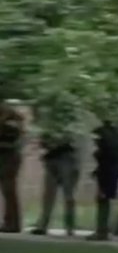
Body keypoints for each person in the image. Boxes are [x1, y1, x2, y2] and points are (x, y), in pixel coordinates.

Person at [29, 101, 80, 237]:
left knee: (68, 195)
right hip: (51, 158)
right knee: (48, 194)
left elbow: (68, 139)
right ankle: (43, 225)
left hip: (66, 158)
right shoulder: (47, 124)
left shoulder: (68, 122)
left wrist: (52, 142)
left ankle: (70, 227)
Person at [0, 100, 24, 233]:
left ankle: (13, 223)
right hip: (5, 155)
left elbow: (13, 139)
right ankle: (8, 221)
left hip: (9, 157)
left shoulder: (12, 121)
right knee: (7, 191)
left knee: (9, 190)